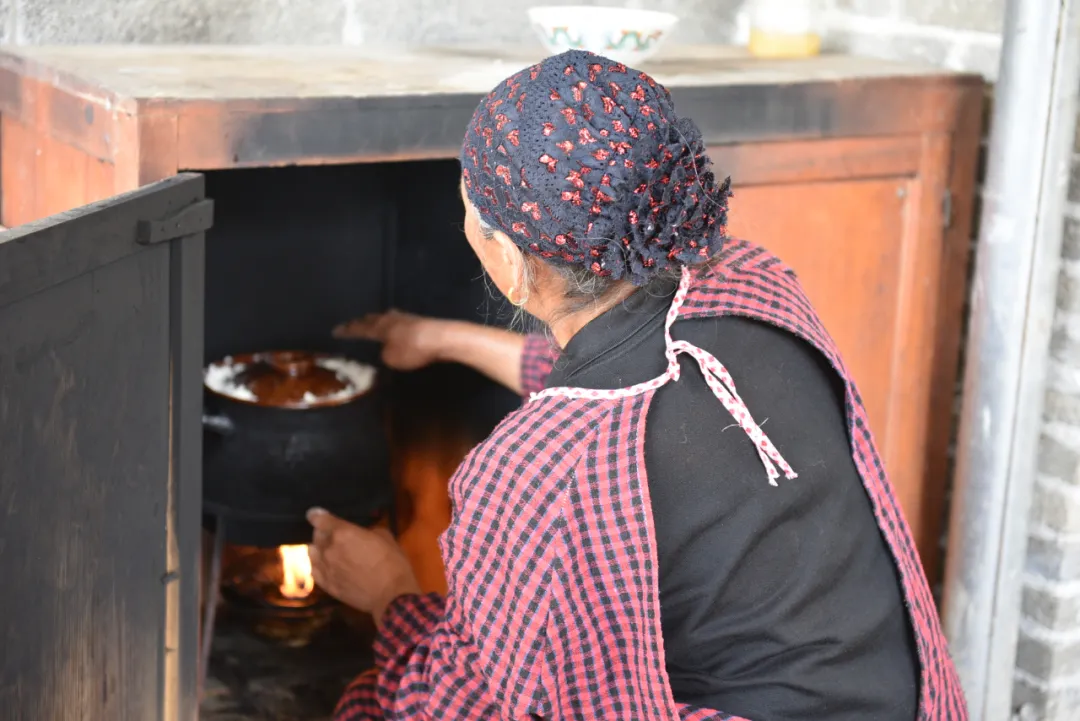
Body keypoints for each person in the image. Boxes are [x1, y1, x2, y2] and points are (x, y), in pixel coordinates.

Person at [307, 50, 967, 720]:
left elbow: (451, 707)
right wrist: (442, 339)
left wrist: (390, 593)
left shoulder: (532, 472)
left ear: (507, 259)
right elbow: (617, 378)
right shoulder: (754, 286)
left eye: (471, 213)